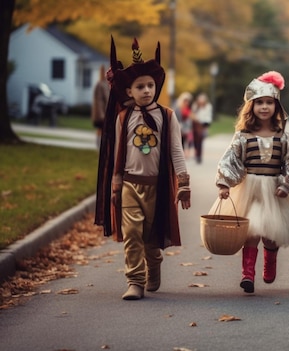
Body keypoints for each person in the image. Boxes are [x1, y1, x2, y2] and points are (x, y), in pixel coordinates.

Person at [94, 37, 191, 300]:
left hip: (157, 186)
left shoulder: (167, 116)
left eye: (150, 85)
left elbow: (176, 152)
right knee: (132, 233)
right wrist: (115, 184)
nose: (147, 90)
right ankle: (134, 281)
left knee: (150, 236)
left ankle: (154, 262)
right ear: (129, 91)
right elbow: (117, 154)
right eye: (140, 86)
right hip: (129, 184)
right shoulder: (123, 118)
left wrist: (183, 183)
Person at [212, 71, 289, 294]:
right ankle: (247, 274)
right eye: (259, 102)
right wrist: (224, 184)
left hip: (274, 190)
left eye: (269, 103)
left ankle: (270, 259)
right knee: (250, 232)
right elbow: (230, 159)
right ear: (250, 106)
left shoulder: (283, 137)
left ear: (277, 107)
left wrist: (285, 184)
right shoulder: (243, 135)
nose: (264, 107)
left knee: (271, 235)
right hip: (248, 190)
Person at [191, 93, 213, 164]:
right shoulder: (195, 106)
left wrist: (205, 125)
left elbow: (208, 116)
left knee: (200, 141)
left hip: (203, 124)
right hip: (195, 124)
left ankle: (199, 156)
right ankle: (196, 153)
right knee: (195, 141)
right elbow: (192, 114)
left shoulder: (208, 106)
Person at [92, 65, 110, 147]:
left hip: (105, 112)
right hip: (101, 113)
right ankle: (99, 145)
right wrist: (101, 115)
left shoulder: (106, 84)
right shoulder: (100, 85)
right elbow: (98, 101)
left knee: (104, 130)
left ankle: (102, 145)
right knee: (100, 129)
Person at [175, 92, 194, 158]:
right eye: (185, 101)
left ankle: (186, 153)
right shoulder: (178, 109)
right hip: (179, 128)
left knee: (187, 141)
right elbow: (176, 119)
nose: (187, 103)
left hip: (187, 128)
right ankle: (181, 154)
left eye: (188, 101)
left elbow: (191, 119)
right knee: (180, 142)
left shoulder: (189, 109)